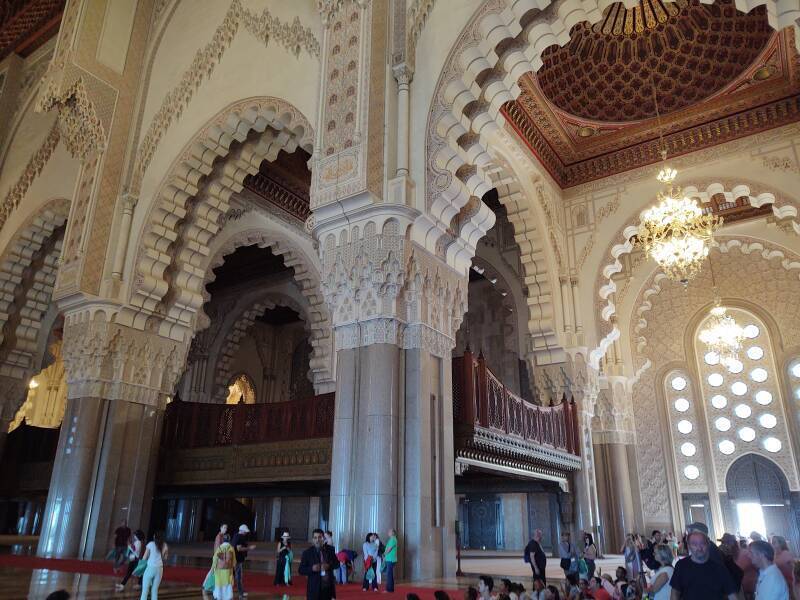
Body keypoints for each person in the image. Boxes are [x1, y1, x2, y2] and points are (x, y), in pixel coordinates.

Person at [669, 523, 737, 600]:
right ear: (689, 546)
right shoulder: (681, 566)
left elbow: (732, 594)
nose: (699, 548)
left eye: (702, 543)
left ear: (708, 544)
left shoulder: (719, 568)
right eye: (694, 544)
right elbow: (675, 593)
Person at [299, 528, 338, 600]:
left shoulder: (330, 550)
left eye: (319, 537)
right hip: (314, 589)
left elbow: (337, 564)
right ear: (313, 540)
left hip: (327, 589)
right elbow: (301, 570)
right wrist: (312, 568)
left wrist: (329, 566)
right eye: (315, 538)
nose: (317, 540)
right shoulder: (307, 553)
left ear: (323, 538)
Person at [140, 531, 168, 600]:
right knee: (154, 591)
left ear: (154, 537)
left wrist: (140, 567)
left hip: (150, 568)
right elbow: (165, 558)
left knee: (145, 591)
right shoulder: (164, 545)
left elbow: (144, 557)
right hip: (160, 569)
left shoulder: (151, 544)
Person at [232, 524, 255, 597]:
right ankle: (240, 593)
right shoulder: (240, 537)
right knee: (238, 577)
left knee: (233, 576)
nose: (246, 533)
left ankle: (228, 591)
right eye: (245, 531)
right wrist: (249, 548)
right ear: (242, 531)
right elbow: (239, 548)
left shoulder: (236, 536)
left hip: (235, 559)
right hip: (238, 560)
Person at [384, 528, 398, 593]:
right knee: (390, 574)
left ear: (393, 533)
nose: (388, 532)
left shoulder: (392, 539)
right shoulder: (392, 539)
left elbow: (389, 549)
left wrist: (384, 555)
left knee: (389, 574)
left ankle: (389, 589)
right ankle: (391, 589)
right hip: (390, 559)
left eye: (389, 531)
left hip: (390, 559)